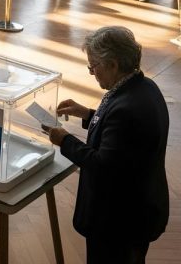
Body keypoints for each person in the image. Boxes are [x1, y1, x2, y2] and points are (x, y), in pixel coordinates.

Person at [45, 27, 168, 264]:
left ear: (112, 64)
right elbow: (123, 140)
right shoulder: (144, 87)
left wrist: (65, 140)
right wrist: (86, 114)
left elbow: (103, 164)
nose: (92, 73)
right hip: (139, 209)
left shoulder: (126, 109)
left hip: (118, 222)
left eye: (93, 66)